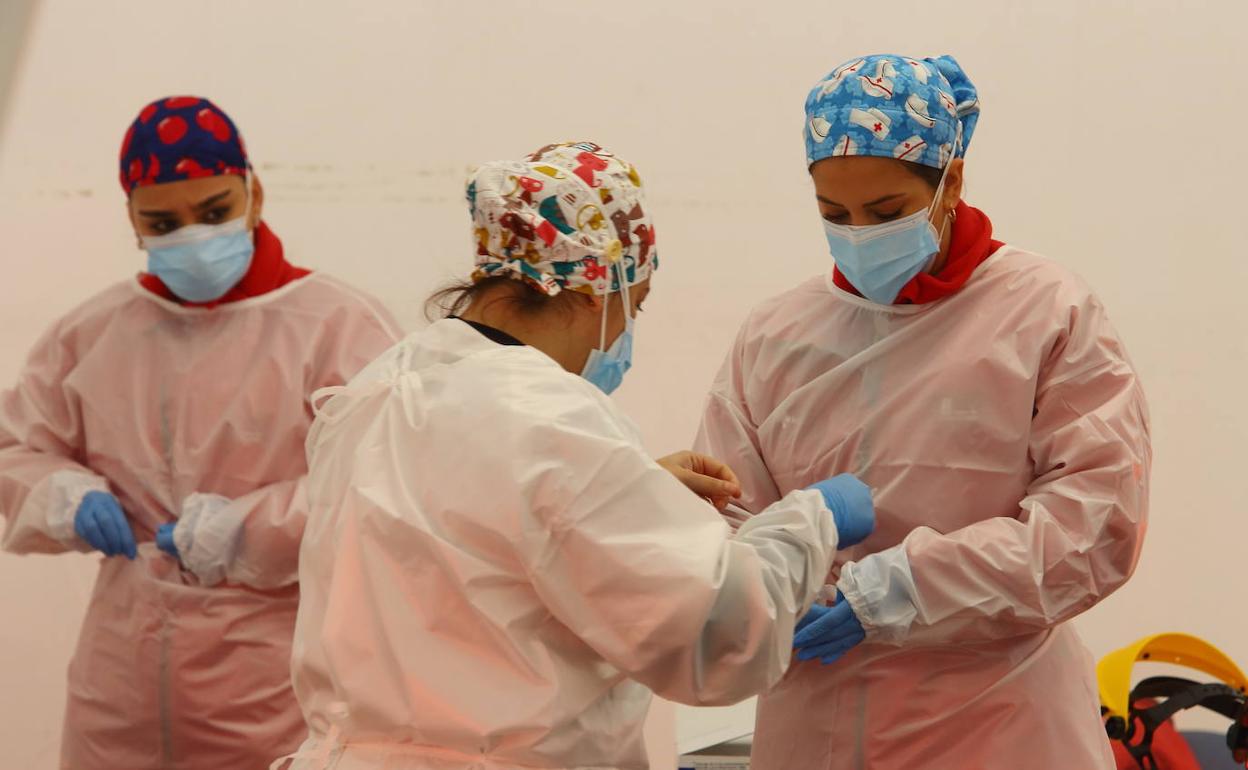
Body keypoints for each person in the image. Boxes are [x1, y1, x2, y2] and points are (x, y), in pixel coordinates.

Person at [280, 141, 876, 770]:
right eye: (634, 305)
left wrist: (633, 489)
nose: (626, 332)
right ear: (597, 289)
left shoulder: (377, 390)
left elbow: (460, 547)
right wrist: (811, 521)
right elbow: (711, 633)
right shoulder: (549, 416)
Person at [695, 54, 1151, 769]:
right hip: (816, 722)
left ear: (951, 182)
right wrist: (768, 585)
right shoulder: (776, 335)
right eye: (834, 215)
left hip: (1000, 725)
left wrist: (898, 589)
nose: (858, 233)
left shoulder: (1043, 313)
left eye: (886, 213)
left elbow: (1094, 527)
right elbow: (725, 516)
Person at [0, 95, 401, 769]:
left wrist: (250, 529)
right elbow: (16, 445)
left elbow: (387, 481)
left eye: (215, 213)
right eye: (162, 223)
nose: (192, 238)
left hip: (276, 685)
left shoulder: (339, 328)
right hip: (119, 686)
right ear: (132, 219)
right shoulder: (96, 334)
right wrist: (61, 495)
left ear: (254, 193)